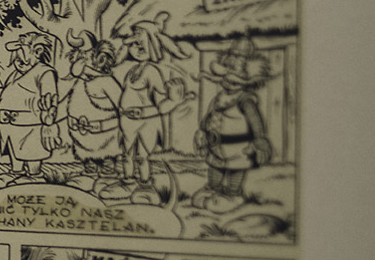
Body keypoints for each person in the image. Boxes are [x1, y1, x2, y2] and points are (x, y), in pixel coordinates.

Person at [191, 37, 273, 213]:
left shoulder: (245, 100)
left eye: (233, 80)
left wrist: (260, 139)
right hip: (216, 146)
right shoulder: (220, 97)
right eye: (225, 79)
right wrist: (202, 130)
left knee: (235, 172)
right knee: (215, 170)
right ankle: (212, 190)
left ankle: (232, 195)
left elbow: (255, 121)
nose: (227, 82)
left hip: (238, 148)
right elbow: (210, 114)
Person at [114, 16, 193, 195]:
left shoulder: (151, 71)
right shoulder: (132, 70)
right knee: (126, 154)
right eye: (134, 45)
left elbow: (163, 101)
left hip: (144, 122)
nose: (137, 49)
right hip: (127, 121)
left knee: (142, 156)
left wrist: (146, 111)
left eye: (142, 45)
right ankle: (127, 181)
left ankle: (145, 185)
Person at [0, 31, 61, 181]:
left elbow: (50, 99)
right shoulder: (14, 75)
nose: (18, 61)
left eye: (22, 56)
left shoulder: (44, 72)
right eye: (16, 58)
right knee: (15, 152)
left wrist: (49, 123)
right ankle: (16, 172)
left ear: (37, 51)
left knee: (32, 152)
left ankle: (34, 175)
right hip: (10, 126)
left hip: (31, 125)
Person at [62, 31, 123, 186]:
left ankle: (108, 178)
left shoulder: (106, 81)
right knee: (88, 165)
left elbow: (122, 104)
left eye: (85, 56)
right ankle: (88, 176)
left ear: (99, 59)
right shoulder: (79, 81)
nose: (79, 61)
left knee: (107, 164)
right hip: (81, 137)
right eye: (79, 56)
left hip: (106, 136)